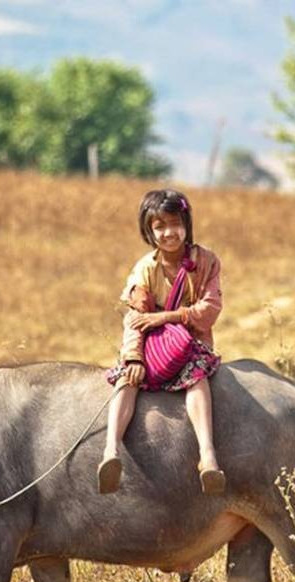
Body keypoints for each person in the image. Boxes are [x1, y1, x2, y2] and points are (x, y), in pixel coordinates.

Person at [98, 188, 226, 495]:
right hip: (152, 347)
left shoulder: (207, 262)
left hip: (191, 345)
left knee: (197, 380)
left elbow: (209, 311)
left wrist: (165, 317)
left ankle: (207, 456)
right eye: (160, 226)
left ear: (186, 223)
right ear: (148, 231)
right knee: (125, 381)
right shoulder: (144, 270)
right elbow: (134, 319)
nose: (169, 232)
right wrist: (134, 358)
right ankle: (110, 452)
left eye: (175, 223)